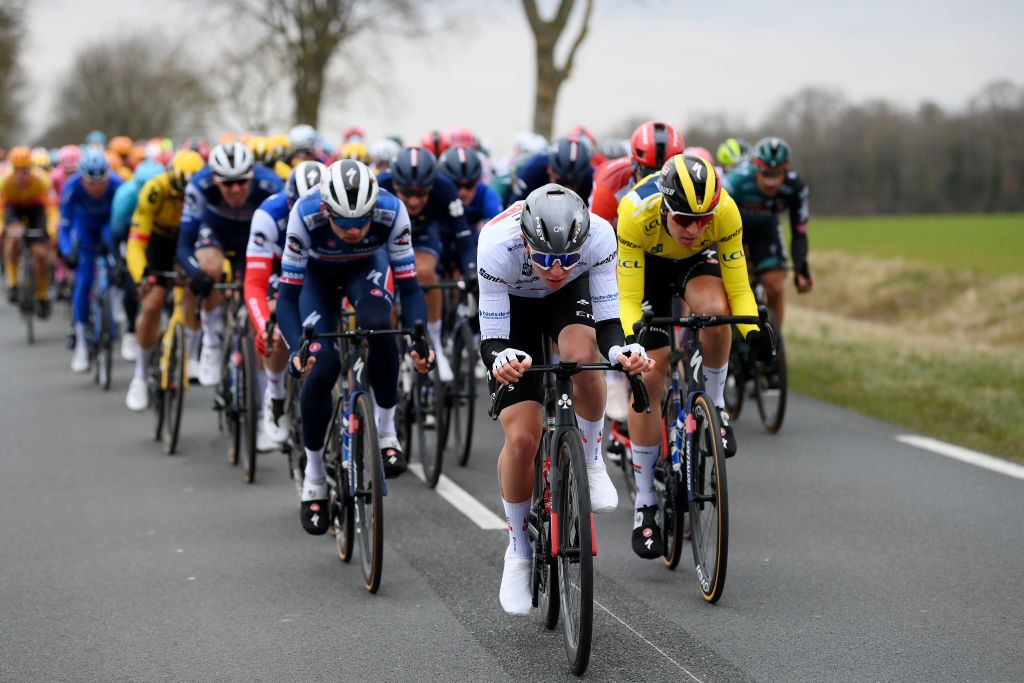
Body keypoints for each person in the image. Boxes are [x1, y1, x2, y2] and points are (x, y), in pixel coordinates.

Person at [478, 184, 653, 614]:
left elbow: (610, 320)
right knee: (522, 438)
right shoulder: (496, 243)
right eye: (545, 260)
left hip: (567, 305)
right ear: (525, 241)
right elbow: (492, 338)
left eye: (568, 260)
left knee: (583, 358)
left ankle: (591, 459)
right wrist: (501, 359)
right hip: (513, 314)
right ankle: (518, 548)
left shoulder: (599, 235)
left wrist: (621, 351)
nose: (556, 270)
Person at [616, 154, 773, 558]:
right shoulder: (635, 211)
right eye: (685, 218)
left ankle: (716, 402)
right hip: (648, 268)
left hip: (694, 266)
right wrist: (634, 342)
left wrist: (752, 332)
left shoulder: (724, 211)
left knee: (718, 311)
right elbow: (629, 300)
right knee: (651, 374)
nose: (694, 227)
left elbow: (739, 290)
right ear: (665, 206)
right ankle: (646, 499)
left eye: (702, 220)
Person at [275, 160, 434, 535]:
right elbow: (286, 298)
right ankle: (314, 476)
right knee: (322, 363)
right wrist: (297, 349)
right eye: (344, 223)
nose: (355, 230)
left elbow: (410, 289)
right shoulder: (305, 214)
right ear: (327, 210)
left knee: (381, 328)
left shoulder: (392, 211)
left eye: (362, 221)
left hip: (366, 269)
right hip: (315, 278)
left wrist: (420, 338)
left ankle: (386, 430)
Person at [176, 143, 284, 386]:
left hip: (255, 238)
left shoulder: (270, 185)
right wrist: (196, 274)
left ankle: (261, 391)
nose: (235, 189)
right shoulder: (199, 186)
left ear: (252, 176)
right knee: (208, 271)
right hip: (217, 232)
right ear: (214, 179)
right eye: (227, 183)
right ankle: (212, 344)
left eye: (242, 182)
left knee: (259, 311)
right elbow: (184, 244)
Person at [243, 160, 326, 449]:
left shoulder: (339, 213)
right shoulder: (268, 215)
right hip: (281, 271)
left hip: (321, 269)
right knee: (277, 330)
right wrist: (263, 323)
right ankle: (275, 395)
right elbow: (254, 282)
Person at [377, 147, 477, 381]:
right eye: (406, 193)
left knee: (424, 272)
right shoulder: (381, 185)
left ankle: (436, 346)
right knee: (384, 284)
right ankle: (390, 351)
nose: (413, 201)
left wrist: (471, 269)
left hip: (422, 235)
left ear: (432, 186)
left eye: (421, 194)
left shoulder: (444, 188)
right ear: (395, 184)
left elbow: (463, 238)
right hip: (385, 235)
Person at [124, 151, 205, 411]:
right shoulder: (155, 190)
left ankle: (189, 356)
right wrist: (142, 275)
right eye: (179, 192)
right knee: (152, 302)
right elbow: (136, 243)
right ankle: (139, 373)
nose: (183, 200)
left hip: (187, 242)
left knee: (192, 292)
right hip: (157, 243)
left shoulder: (204, 192)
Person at [723, 137, 812, 329]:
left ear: (785, 171)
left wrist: (801, 267)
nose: (770, 182)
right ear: (756, 167)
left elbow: (799, 232)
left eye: (777, 174)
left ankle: (773, 342)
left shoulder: (796, 188)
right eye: (765, 174)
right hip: (731, 229)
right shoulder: (736, 182)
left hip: (765, 230)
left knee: (775, 285)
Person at [58, 150, 124, 373]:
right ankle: (82, 344)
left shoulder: (117, 185)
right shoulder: (72, 187)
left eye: (101, 182)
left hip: (108, 228)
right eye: (91, 182)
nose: (96, 187)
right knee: (84, 282)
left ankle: (113, 308)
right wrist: (68, 252)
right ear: (82, 178)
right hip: (84, 230)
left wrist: (120, 251)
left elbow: (126, 222)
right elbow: (64, 227)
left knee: (116, 269)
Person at [110, 159, 166, 362]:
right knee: (131, 281)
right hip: (130, 233)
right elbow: (116, 234)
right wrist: (118, 260)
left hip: (158, 235)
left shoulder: (167, 192)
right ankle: (131, 331)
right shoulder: (126, 196)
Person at [590, 120, 684, 228]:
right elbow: (600, 238)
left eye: (665, 174)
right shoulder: (608, 190)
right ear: (634, 166)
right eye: (649, 173)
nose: (656, 182)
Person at [2, 146, 56, 313]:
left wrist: (51, 230)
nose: (21, 175)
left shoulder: (42, 180)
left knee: (40, 253)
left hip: (37, 210)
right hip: (13, 209)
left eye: (25, 171)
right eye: (17, 171)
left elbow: (52, 209)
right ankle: (13, 283)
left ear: (31, 169)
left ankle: (42, 295)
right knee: (12, 238)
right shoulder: (4, 182)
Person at [508, 136, 594, 205]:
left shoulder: (590, 177)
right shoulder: (534, 169)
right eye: (560, 182)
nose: (565, 189)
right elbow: (515, 207)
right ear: (549, 169)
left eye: (572, 184)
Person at [438, 145, 502, 229]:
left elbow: (498, 230)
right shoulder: (437, 193)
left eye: (469, 185)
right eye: (456, 185)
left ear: (478, 181)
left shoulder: (487, 195)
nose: (463, 192)